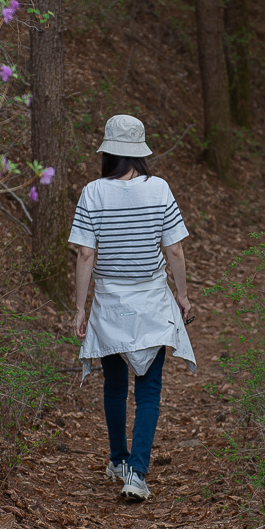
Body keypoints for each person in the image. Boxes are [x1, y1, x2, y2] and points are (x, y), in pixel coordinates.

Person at [70, 114, 195, 502]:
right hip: (152, 301)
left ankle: (118, 459)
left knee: (114, 384)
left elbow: (86, 255)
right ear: (140, 152)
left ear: (108, 152)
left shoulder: (92, 192)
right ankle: (137, 473)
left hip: (109, 302)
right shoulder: (159, 189)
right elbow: (173, 248)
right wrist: (184, 295)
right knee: (149, 389)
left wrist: (79, 308)